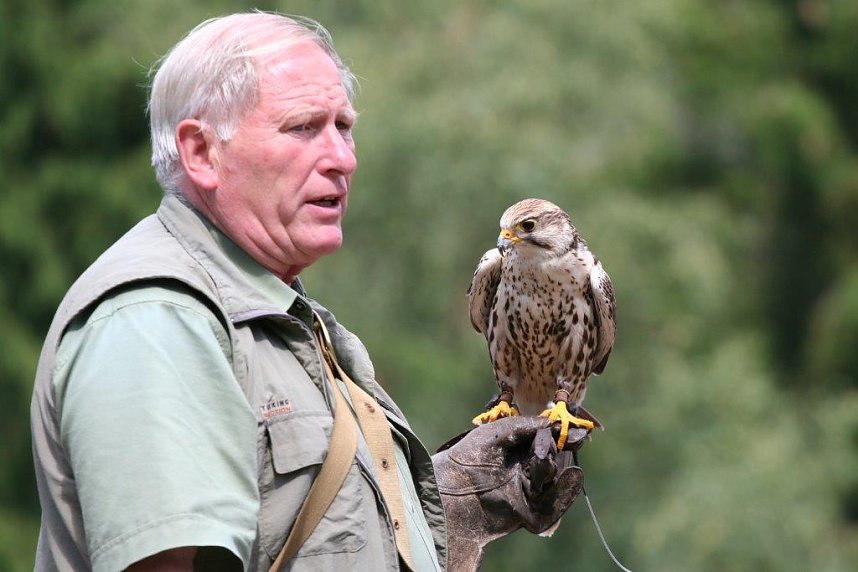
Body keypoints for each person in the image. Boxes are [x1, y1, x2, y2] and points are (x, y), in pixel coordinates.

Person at [30, 12, 583, 571]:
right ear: (201, 152)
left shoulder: (279, 313)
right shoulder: (156, 319)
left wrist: (447, 505)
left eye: (344, 127)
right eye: (302, 128)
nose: (342, 158)